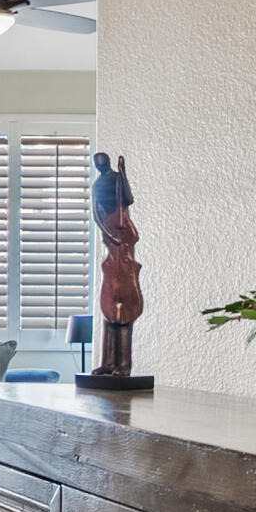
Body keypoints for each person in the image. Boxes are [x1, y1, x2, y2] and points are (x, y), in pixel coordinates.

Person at [90, 151, 144, 382]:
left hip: (122, 254)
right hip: (111, 246)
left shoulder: (115, 180)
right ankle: (108, 362)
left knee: (123, 317)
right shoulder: (97, 184)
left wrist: (123, 175)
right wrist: (108, 232)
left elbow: (128, 199)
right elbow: (96, 212)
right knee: (109, 311)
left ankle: (123, 364)